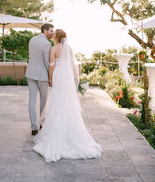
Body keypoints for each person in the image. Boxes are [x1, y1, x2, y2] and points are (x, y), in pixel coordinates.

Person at [33, 29, 103, 162]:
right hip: (67, 76)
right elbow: (72, 64)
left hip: (59, 75)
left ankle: (56, 133)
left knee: (57, 101)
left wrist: (50, 78)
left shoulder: (54, 49)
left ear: (57, 37)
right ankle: (72, 132)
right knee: (67, 101)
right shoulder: (69, 48)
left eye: (54, 35)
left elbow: (52, 65)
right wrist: (74, 78)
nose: (52, 36)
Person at [26, 23, 54, 135]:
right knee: (43, 100)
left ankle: (33, 127)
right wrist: (50, 77)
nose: (53, 33)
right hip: (42, 76)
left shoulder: (32, 40)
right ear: (45, 31)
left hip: (30, 73)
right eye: (51, 31)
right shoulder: (47, 44)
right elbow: (47, 63)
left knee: (32, 101)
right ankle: (42, 123)